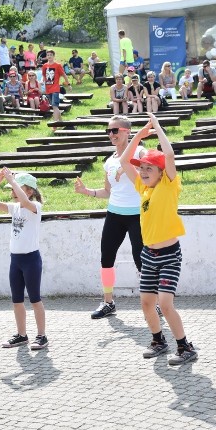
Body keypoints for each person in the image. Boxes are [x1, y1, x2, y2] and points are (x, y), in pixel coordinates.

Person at [119, 113, 197, 365]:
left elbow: (170, 156)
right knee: (146, 302)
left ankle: (185, 347)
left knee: (165, 302)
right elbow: (123, 160)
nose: (142, 172)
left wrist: (158, 127)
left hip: (169, 254)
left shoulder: (169, 185)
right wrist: (139, 135)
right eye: (141, 168)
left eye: (148, 168)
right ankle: (158, 340)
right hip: (148, 254)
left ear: (161, 171)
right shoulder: (144, 188)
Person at [74, 116, 146, 319]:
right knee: (106, 258)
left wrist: (128, 165)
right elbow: (108, 191)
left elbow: (151, 173)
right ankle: (108, 302)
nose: (111, 134)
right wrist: (86, 191)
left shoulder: (141, 152)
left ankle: (154, 302)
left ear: (127, 132)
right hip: (114, 213)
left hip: (137, 214)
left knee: (141, 260)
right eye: (108, 131)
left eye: (115, 130)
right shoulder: (109, 161)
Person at [0, 169, 49, 350]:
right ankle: (22, 335)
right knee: (17, 300)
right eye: (11, 190)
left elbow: (24, 201)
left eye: (16, 189)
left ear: (29, 191)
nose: (12, 192)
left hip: (31, 260)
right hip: (15, 261)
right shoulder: (14, 208)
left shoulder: (35, 207)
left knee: (35, 299)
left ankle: (42, 336)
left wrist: (12, 180)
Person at [42, 49, 69, 123]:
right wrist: (42, 81)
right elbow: (44, 75)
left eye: (51, 55)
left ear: (53, 56)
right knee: (55, 107)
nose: (49, 56)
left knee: (54, 106)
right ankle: (61, 122)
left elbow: (64, 75)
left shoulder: (58, 65)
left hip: (55, 89)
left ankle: (55, 124)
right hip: (48, 89)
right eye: (48, 55)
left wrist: (68, 84)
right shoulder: (45, 66)